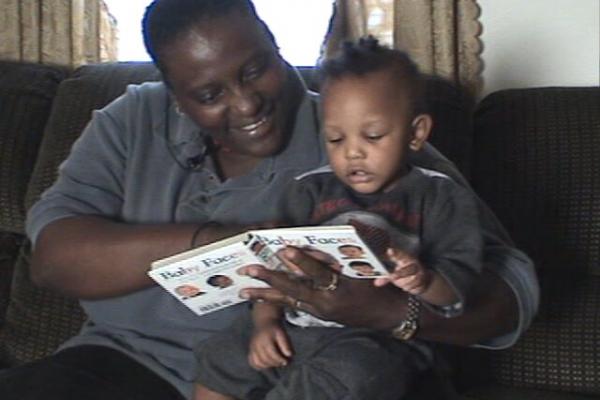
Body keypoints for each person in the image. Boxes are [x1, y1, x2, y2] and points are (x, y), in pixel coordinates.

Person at [0, 1, 537, 399]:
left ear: (275, 44)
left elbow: (511, 292)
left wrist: (392, 312)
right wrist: (220, 244)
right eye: (209, 95)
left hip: (303, 368)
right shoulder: (130, 120)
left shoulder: (355, 137)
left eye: (256, 68)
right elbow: (52, 257)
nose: (248, 102)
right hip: (122, 364)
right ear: (173, 94)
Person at [193, 38, 485, 400]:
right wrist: (265, 323)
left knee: (354, 375)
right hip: (295, 322)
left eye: (373, 136)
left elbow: (460, 287)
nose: (352, 152)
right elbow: (273, 265)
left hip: (373, 340)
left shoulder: (440, 196)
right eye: (335, 138)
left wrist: (424, 282)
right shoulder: (308, 191)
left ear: (416, 133)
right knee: (220, 356)